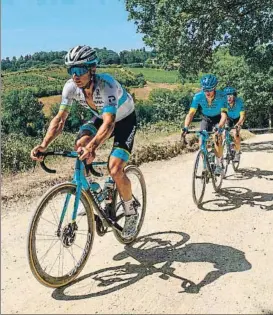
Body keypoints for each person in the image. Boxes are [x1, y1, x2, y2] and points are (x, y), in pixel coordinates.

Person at [30, 45, 138, 239]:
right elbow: (60, 119)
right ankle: (91, 188)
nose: (75, 76)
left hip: (123, 121)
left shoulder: (107, 85)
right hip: (100, 116)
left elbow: (110, 124)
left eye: (79, 70)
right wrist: (44, 145)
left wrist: (93, 147)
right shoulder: (71, 88)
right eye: (71, 71)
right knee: (81, 143)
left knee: (114, 169)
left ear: (92, 69)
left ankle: (131, 211)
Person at [182, 74, 228, 175]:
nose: (207, 92)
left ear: (215, 88)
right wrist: (185, 127)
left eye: (210, 89)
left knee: (217, 138)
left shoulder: (222, 96)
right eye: (205, 89)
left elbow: (224, 115)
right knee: (201, 140)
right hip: (206, 118)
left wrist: (219, 126)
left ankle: (219, 163)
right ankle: (205, 165)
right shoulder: (198, 96)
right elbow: (191, 114)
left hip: (219, 119)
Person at [224, 86, 246, 162]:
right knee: (223, 132)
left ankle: (237, 152)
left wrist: (238, 124)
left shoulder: (239, 102)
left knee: (235, 132)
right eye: (226, 96)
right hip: (229, 118)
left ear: (234, 96)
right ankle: (227, 147)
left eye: (230, 96)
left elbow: (242, 116)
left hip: (238, 118)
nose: (228, 98)